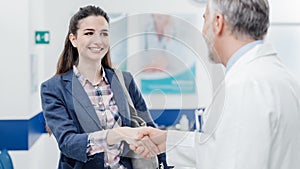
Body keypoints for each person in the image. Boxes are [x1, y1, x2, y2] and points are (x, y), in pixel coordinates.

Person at [130, 0, 300, 168]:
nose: (203, 32)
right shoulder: (279, 76)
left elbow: (233, 161)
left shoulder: (244, 88)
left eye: (205, 19)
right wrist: (168, 141)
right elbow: (223, 147)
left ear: (218, 23)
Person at [40, 5, 169, 169]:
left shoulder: (125, 80)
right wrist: (117, 134)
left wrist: (163, 162)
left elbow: (149, 128)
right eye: (89, 33)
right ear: (73, 39)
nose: (98, 40)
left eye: (104, 34)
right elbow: (68, 143)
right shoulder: (53, 88)